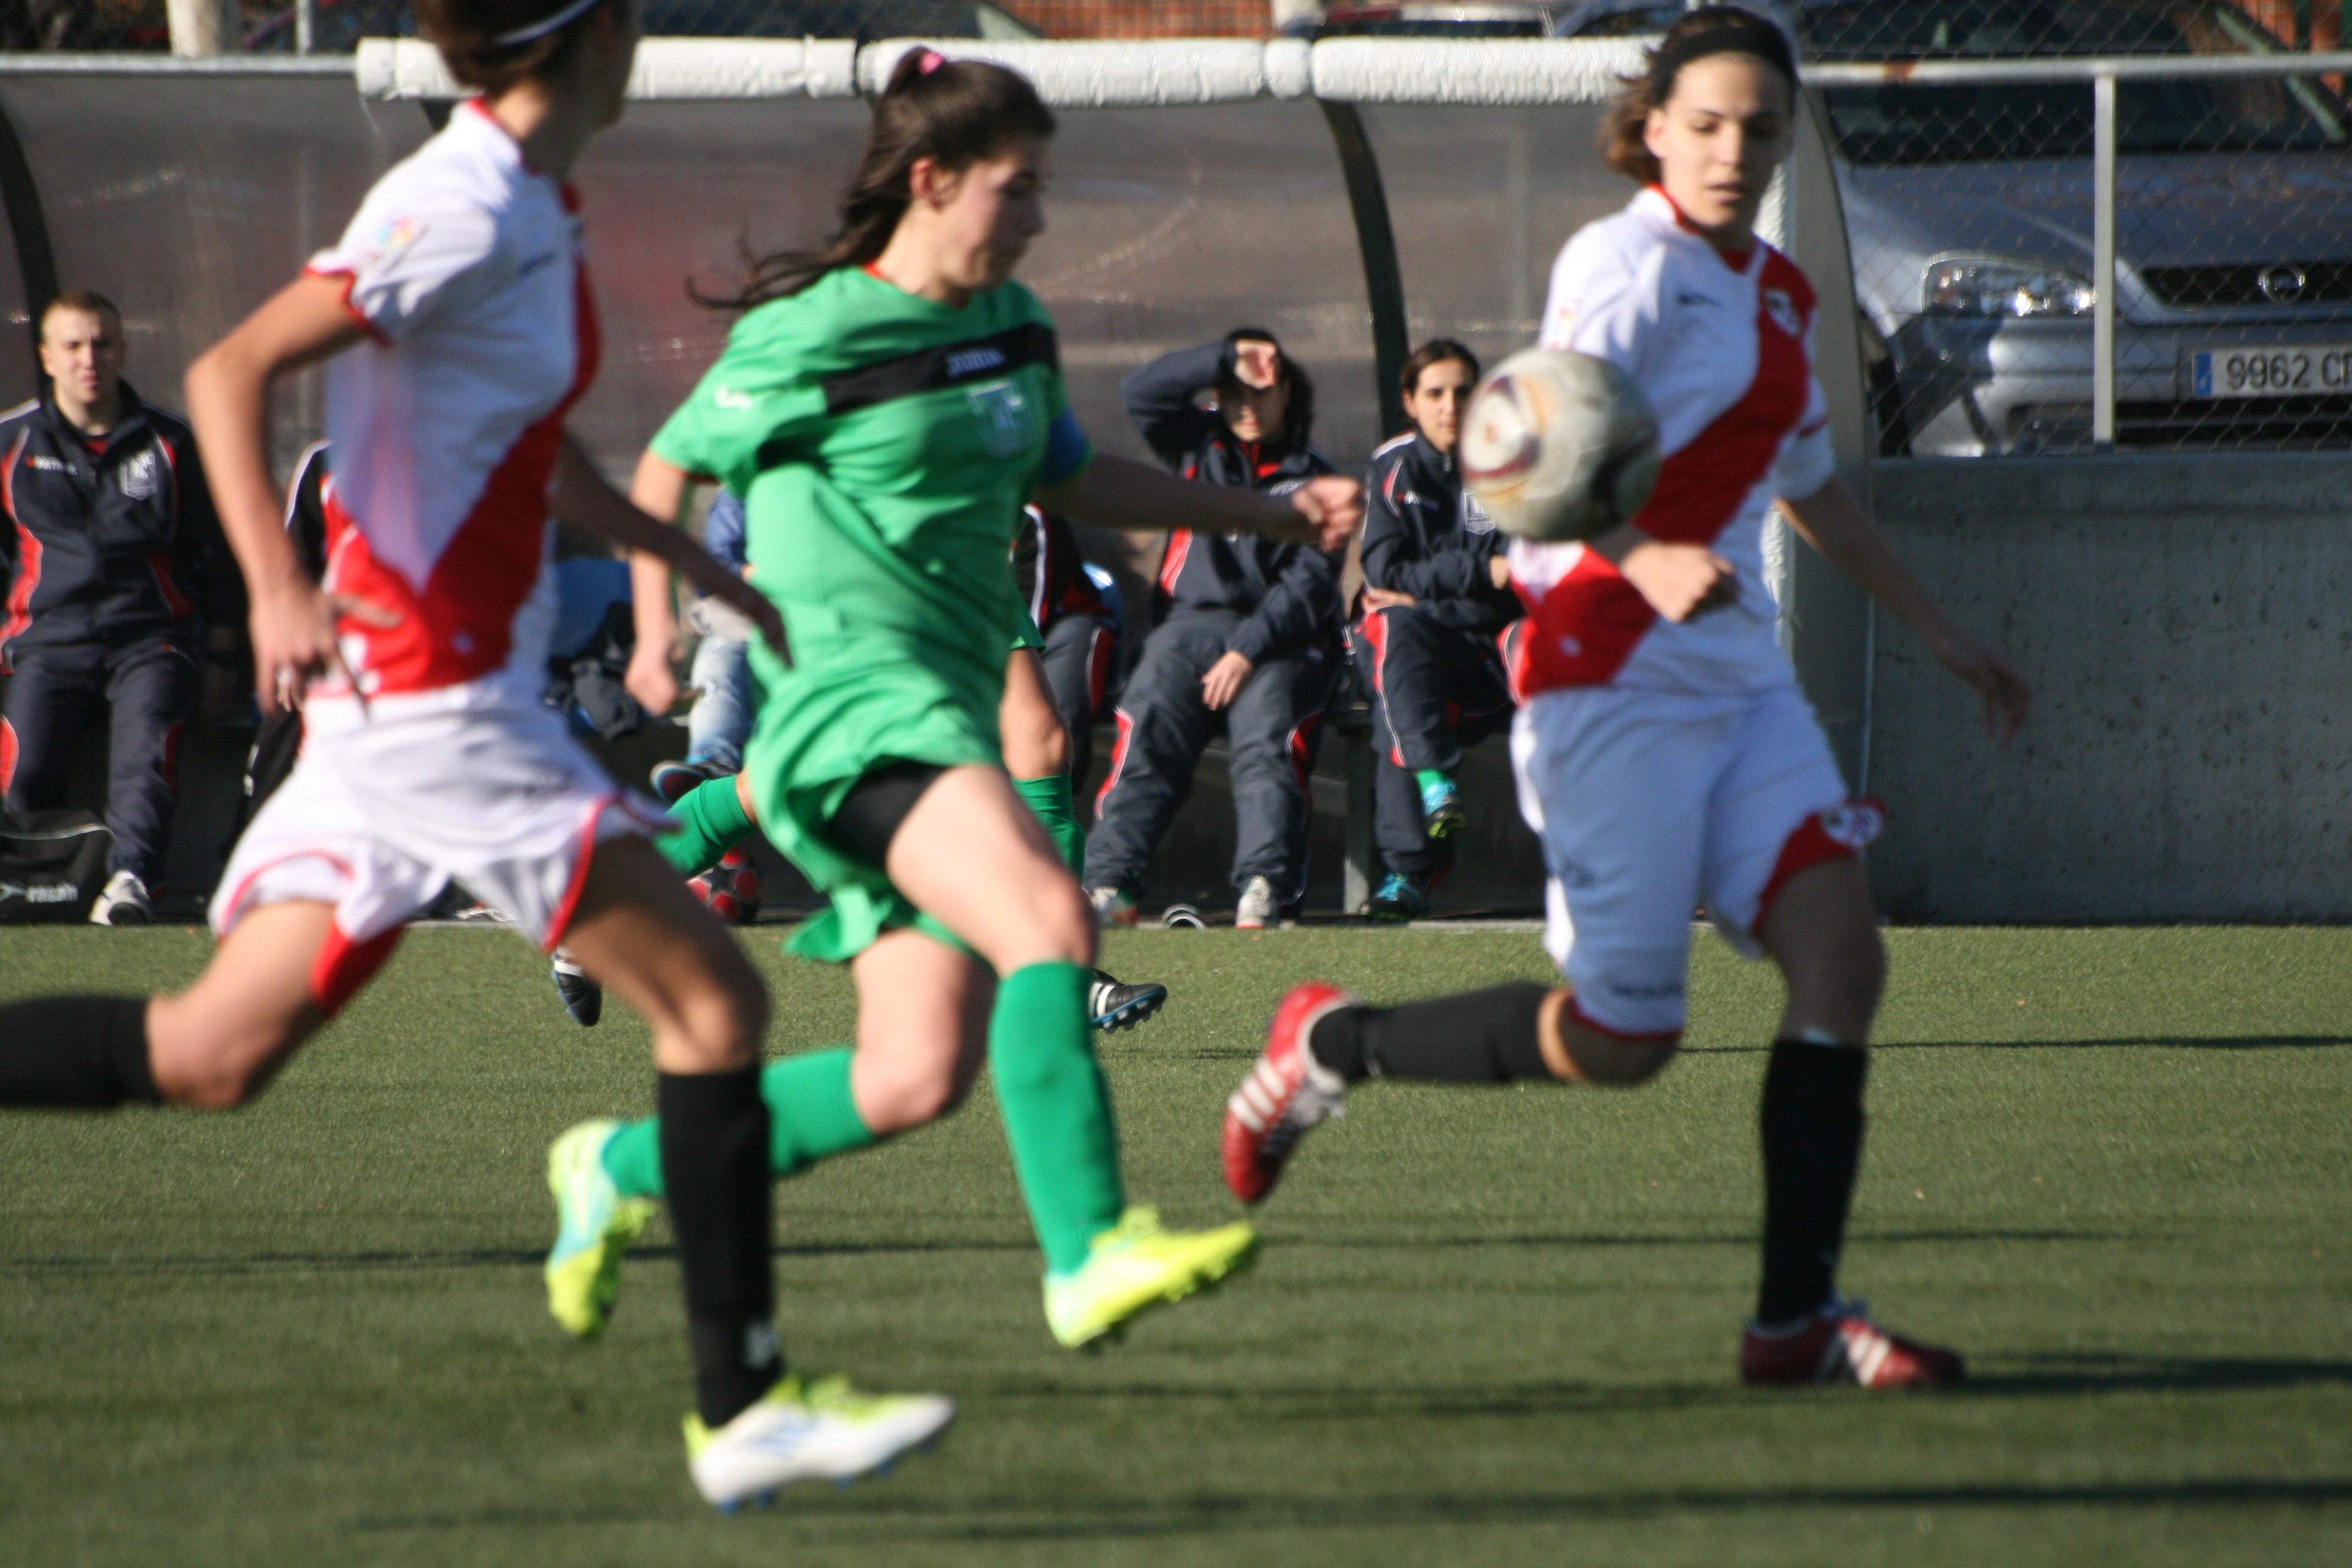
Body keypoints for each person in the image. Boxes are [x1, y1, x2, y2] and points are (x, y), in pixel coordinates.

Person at [0, 0, 959, 1511]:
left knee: (212, 1054)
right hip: (437, 709)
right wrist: (276, 584)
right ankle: (746, 1405)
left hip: (406, 719)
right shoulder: (459, 200)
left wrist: (681, 562)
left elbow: (528, 449)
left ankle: (746, 1406)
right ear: (591, 36)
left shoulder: (532, 204)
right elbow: (236, 374)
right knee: (714, 1002)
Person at [1221, 7, 2032, 1388]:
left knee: (1842, 962)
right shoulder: (1621, 266)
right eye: (1702, 124)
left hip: (1738, 680)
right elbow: (1510, 452)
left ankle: (1792, 1321)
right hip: (1604, 680)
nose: (1730, 152)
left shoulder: (1780, 295)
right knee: (1620, 1041)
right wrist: (1641, 551)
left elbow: (1811, 485)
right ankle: (1331, 1040)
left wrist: (1943, 632)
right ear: (1652, 128)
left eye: (1758, 130)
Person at [542, 51, 1360, 1367]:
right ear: (929, 180)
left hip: (940, 717)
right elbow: (672, 461)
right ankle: (1089, 1252)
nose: (1036, 216)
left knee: (912, 1075)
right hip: (849, 719)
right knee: (1049, 919)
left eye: (1042, 188)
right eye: (1014, 187)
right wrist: (652, 629)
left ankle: (617, 1168)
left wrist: (1265, 514)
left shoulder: (1013, 328)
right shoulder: (813, 332)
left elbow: (1076, 480)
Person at [1084, 331, 1343, 929]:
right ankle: (1110, 884)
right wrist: (1227, 357)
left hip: (1279, 640)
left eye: (1261, 392)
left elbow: (1308, 589)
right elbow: (1141, 391)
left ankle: (1264, 886)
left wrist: (1245, 652)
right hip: (1189, 626)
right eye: (1233, 393)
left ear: (1288, 393)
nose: (1247, 407)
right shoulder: (1196, 448)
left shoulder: (1316, 479)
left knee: (1265, 745)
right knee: (1149, 727)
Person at [1, 290, 243, 925]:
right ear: (46, 357)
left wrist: (223, 657)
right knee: (25, 767)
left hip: (151, 641)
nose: (90, 359)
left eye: (103, 344)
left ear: (123, 351)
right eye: (74, 346)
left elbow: (218, 557)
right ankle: (38, 880)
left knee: (145, 756)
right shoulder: (12, 442)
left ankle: (130, 881)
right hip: (47, 642)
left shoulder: (170, 441)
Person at [1351, 339, 1522, 920]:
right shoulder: (1392, 466)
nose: (1451, 406)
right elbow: (1384, 575)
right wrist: (1479, 572)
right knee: (1394, 634)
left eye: (1463, 392)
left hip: (1488, 654)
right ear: (1410, 402)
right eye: (1435, 393)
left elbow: (1523, 572)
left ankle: (1604, 864)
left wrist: (1439, 584)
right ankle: (1413, 857)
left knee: (1405, 668)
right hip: (1413, 647)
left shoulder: (1514, 463)